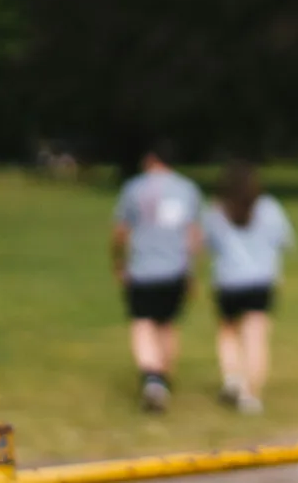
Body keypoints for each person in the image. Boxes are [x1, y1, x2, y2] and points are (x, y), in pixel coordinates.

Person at [111, 143, 203, 412]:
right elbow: (193, 236)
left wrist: (118, 261)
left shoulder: (134, 188)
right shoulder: (187, 189)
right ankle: (164, 376)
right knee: (167, 325)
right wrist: (191, 270)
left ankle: (152, 378)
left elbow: (120, 231)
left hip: (142, 269)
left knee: (142, 324)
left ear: (150, 160)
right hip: (174, 269)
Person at [203, 160, 294, 414]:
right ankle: (250, 395)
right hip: (262, 280)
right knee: (256, 338)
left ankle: (232, 377)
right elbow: (285, 240)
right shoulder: (269, 208)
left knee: (228, 332)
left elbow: (206, 243)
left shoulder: (217, 211)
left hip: (228, 281)